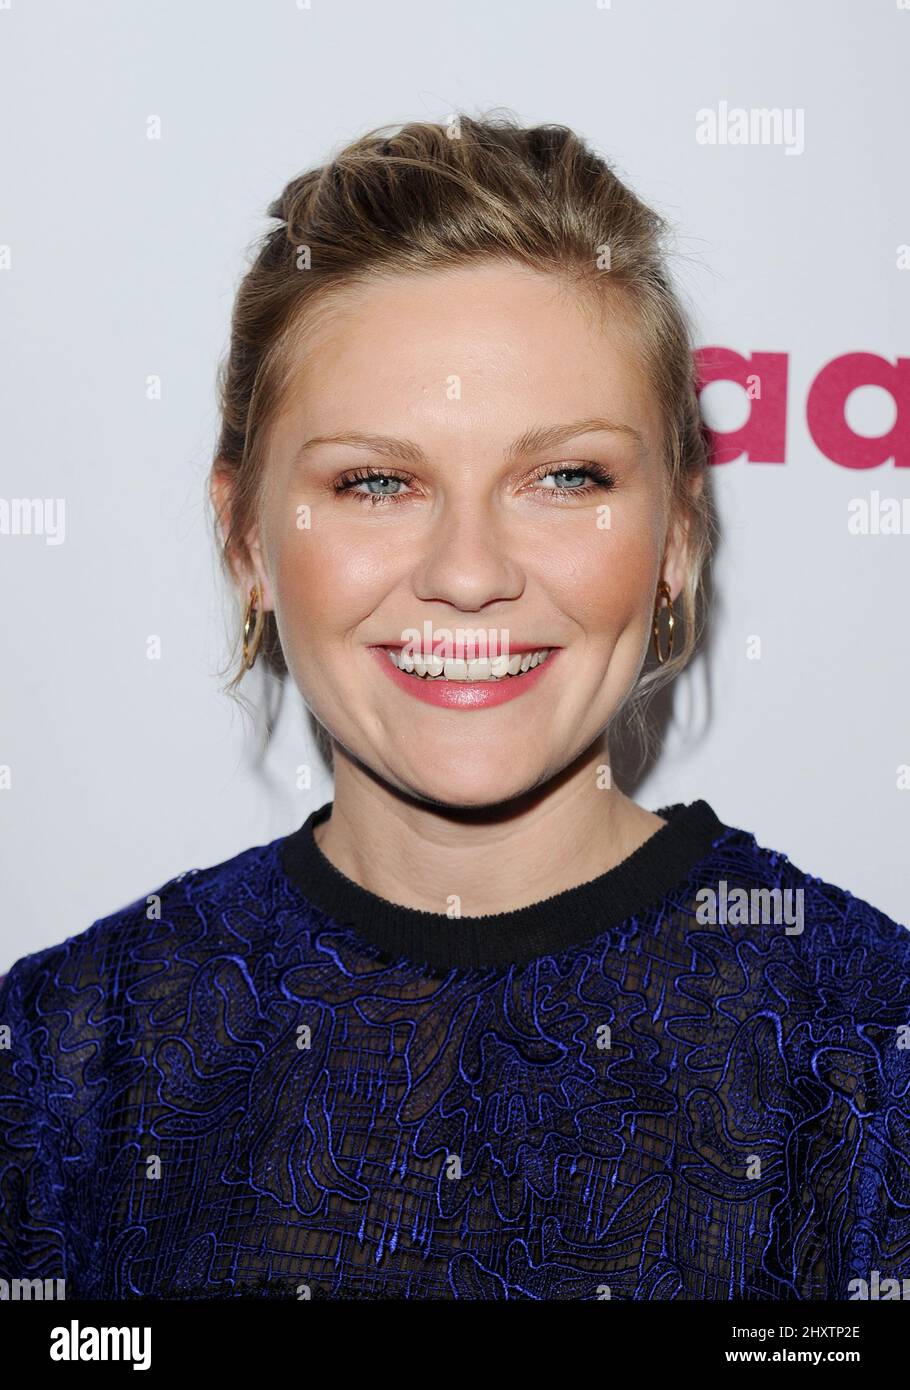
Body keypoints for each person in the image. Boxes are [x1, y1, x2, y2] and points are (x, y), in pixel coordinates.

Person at [1, 114, 908, 1302]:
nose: (469, 571)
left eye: (564, 476)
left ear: (677, 531)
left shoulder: (864, 1052)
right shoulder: (68, 1059)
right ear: (246, 540)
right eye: (377, 481)